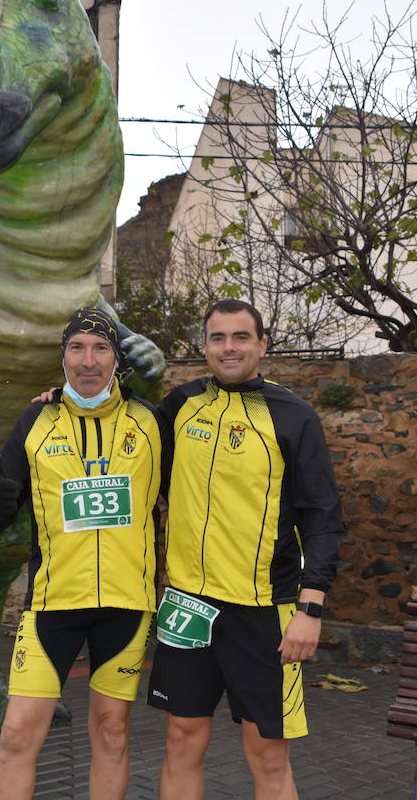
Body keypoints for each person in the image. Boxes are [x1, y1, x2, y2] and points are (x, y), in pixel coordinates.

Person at [148, 298, 344, 800]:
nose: (228, 347)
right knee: (180, 740)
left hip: (264, 612)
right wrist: (57, 399)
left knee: (268, 756)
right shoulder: (180, 404)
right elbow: (119, 430)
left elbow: (323, 516)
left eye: (240, 337)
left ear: (262, 344)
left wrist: (311, 608)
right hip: (187, 605)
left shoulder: (293, 415)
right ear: (205, 346)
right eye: (218, 338)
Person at [0, 307, 170, 800]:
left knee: (111, 733)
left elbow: (190, 502)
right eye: (77, 348)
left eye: (100, 347)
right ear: (62, 357)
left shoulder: (151, 423)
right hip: (52, 605)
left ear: (116, 358)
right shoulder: (35, 419)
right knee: (18, 733)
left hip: (127, 605)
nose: (89, 360)